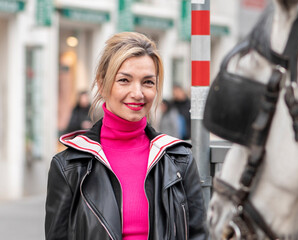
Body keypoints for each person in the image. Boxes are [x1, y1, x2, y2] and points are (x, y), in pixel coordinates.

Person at [45, 32, 207, 240]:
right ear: (102, 85)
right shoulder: (69, 166)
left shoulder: (179, 160)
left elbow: (197, 235)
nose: (137, 93)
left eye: (148, 82)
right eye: (124, 80)